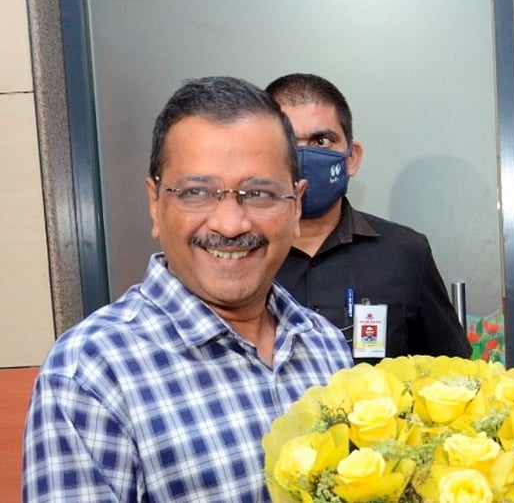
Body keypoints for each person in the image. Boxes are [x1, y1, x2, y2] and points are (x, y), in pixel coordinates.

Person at [22, 76, 353, 502]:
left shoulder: (324, 343)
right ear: (155, 204)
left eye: (259, 193)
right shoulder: (90, 375)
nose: (230, 224)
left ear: (296, 206)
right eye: (197, 192)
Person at [264, 73, 472, 364]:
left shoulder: (405, 253)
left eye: (321, 140)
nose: (305, 157)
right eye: (288, 142)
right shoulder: (240, 253)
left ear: (352, 158)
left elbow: (453, 373)